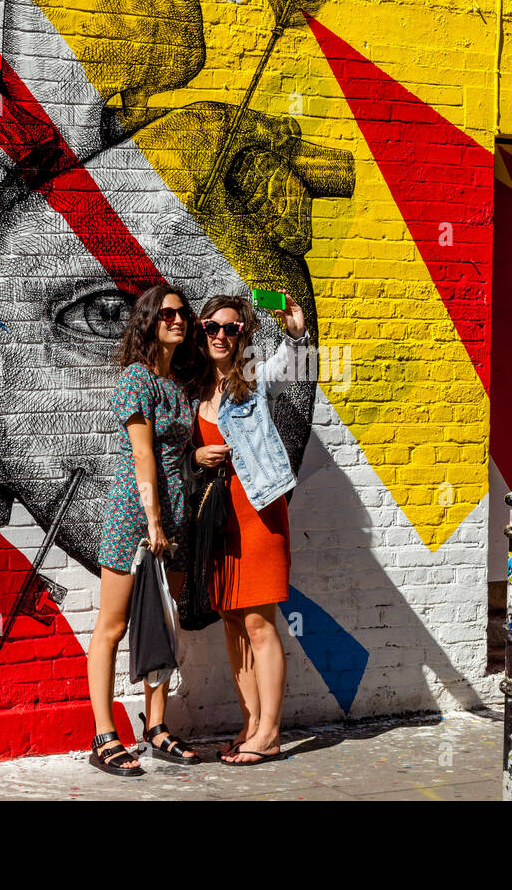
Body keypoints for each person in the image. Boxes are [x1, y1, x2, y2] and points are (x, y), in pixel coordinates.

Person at [88, 285, 203, 776]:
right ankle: (104, 736)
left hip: (174, 517)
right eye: (168, 314)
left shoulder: (178, 385)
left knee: (164, 622)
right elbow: (142, 455)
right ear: (149, 321)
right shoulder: (135, 379)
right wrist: (153, 520)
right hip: (135, 515)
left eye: (183, 315)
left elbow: (177, 456)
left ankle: (155, 727)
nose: (178, 321)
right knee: (113, 626)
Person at [190, 291, 308, 765]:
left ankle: (271, 734)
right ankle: (251, 725)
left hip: (257, 511)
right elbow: (175, 450)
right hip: (216, 521)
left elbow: (292, 361)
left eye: (232, 328)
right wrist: (196, 456)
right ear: (201, 332)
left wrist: (295, 332)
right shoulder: (190, 387)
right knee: (234, 623)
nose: (221, 335)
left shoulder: (255, 380)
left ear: (244, 335)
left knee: (259, 624)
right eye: (212, 327)